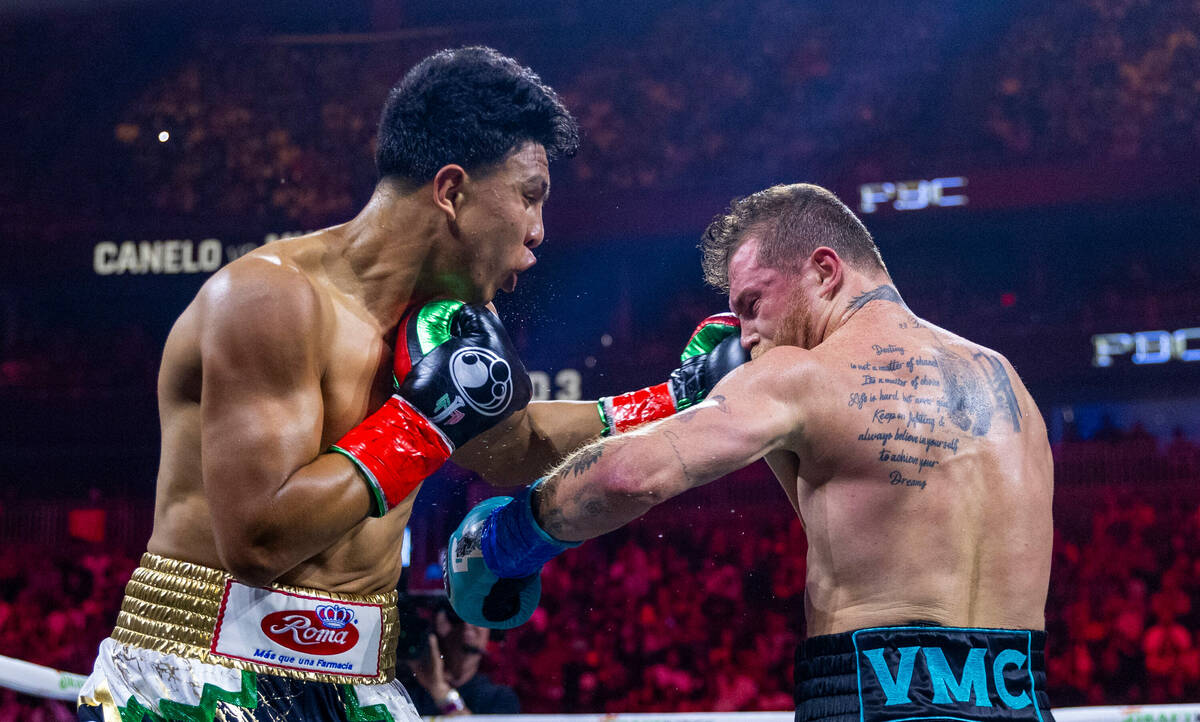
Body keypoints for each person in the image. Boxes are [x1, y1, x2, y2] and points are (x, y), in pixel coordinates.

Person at [78, 45, 744, 722]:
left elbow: (512, 450)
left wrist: (677, 396)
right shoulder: (269, 299)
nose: (539, 233)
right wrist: (421, 422)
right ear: (451, 191)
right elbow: (259, 543)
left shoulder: (448, 322)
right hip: (202, 674)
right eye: (529, 197)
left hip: (360, 679)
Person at [447, 183, 1057, 722]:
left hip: (874, 697)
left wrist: (506, 539)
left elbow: (628, 476)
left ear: (824, 270)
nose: (744, 334)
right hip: (1022, 696)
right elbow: (867, 527)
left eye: (751, 304)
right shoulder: (1007, 383)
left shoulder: (802, 374)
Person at [399, 599, 519, 716]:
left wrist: (440, 690)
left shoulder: (499, 698)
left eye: (477, 618)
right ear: (436, 624)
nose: (467, 624)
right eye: (456, 616)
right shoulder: (404, 693)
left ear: (491, 632)